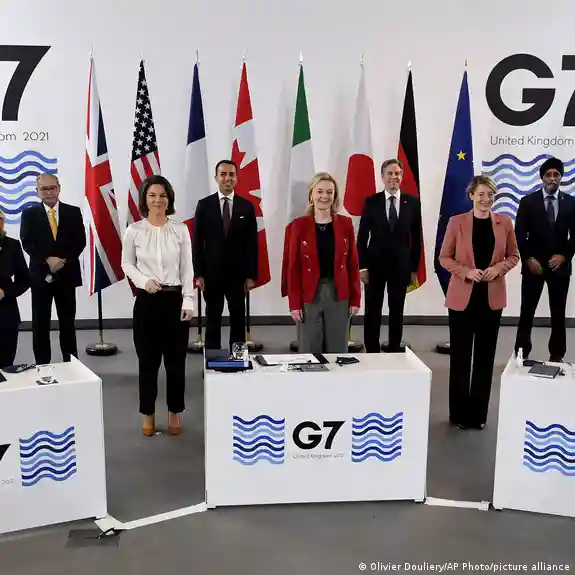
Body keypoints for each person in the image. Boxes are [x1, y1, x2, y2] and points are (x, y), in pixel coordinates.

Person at [439, 176, 519, 429]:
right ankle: (458, 414)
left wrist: (498, 269)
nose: (486, 199)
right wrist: (466, 272)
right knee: (461, 357)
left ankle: (478, 415)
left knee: (485, 358)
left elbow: (513, 255)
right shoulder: (456, 222)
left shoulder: (505, 223)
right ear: (471, 195)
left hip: (491, 300)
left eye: (490, 195)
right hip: (462, 299)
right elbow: (444, 258)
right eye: (481, 194)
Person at [122, 175, 194, 437]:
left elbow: (187, 267)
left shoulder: (180, 230)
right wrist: (143, 281)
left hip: (175, 302)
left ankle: (174, 410)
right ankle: (148, 413)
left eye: (162, 195)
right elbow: (126, 263)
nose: (157, 200)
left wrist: (189, 299)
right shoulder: (134, 231)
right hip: (147, 302)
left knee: (176, 363)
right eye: (152, 195)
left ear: (169, 199)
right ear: (145, 199)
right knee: (148, 362)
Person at [286, 173, 360, 352]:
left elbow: (352, 264)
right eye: (319, 191)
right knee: (309, 350)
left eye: (329, 192)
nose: (324, 196)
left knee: (338, 351)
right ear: (311, 195)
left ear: (335, 196)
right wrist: (294, 303)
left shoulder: (345, 224)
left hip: (338, 294)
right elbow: (293, 267)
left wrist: (355, 298)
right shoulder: (298, 226)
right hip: (309, 295)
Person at [357, 158, 423, 353]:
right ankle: (372, 350)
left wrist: (413, 269)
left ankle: (394, 348)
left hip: (401, 267)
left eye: (397, 173)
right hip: (374, 267)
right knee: (372, 310)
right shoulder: (371, 202)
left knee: (397, 310)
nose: (394, 177)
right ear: (382, 177)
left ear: (402, 176)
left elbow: (416, 239)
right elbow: (362, 238)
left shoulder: (412, 203)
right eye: (390, 173)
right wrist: (363, 267)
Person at [192, 160, 258, 351]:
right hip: (211, 274)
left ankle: (237, 358)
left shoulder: (246, 206)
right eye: (223, 174)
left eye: (231, 174)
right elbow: (197, 243)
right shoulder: (204, 205)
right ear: (216, 178)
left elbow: (252, 244)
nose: (227, 178)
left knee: (238, 316)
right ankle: (212, 356)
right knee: (212, 316)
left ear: (236, 178)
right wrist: (199, 274)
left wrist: (251, 275)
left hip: (238, 276)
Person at [20, 174, 86, 365]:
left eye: (52, 188)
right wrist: (47, 260)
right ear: (37, 191)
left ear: (59, 188)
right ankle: (42, 364)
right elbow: (27, 242)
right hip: (40, 277)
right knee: (40, 323)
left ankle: (70, 363)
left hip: (67, 275)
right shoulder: (29, 214)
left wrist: (62, 261)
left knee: (68, 323)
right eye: (44, 189)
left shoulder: (73, 212)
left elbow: (80, 241)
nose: (49, 192)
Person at [514, 157, 575, 362]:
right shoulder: (528, 202)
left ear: (561, 178)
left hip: (560, 268)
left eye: (556, 174)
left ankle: (557, 355)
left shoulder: (571, 202)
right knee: (527, 311)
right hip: (534, 267)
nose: (552, 178)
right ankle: (521, 352)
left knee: (558, 313)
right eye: (548, 174)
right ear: (542, 178)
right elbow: (520, 234)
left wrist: (564, 256)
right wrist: (528, 259)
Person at [0, 209, 31, 368]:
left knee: (5, 363)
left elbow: (25, 279)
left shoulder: (12, 245)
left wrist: (5, 292)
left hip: (6, 314)